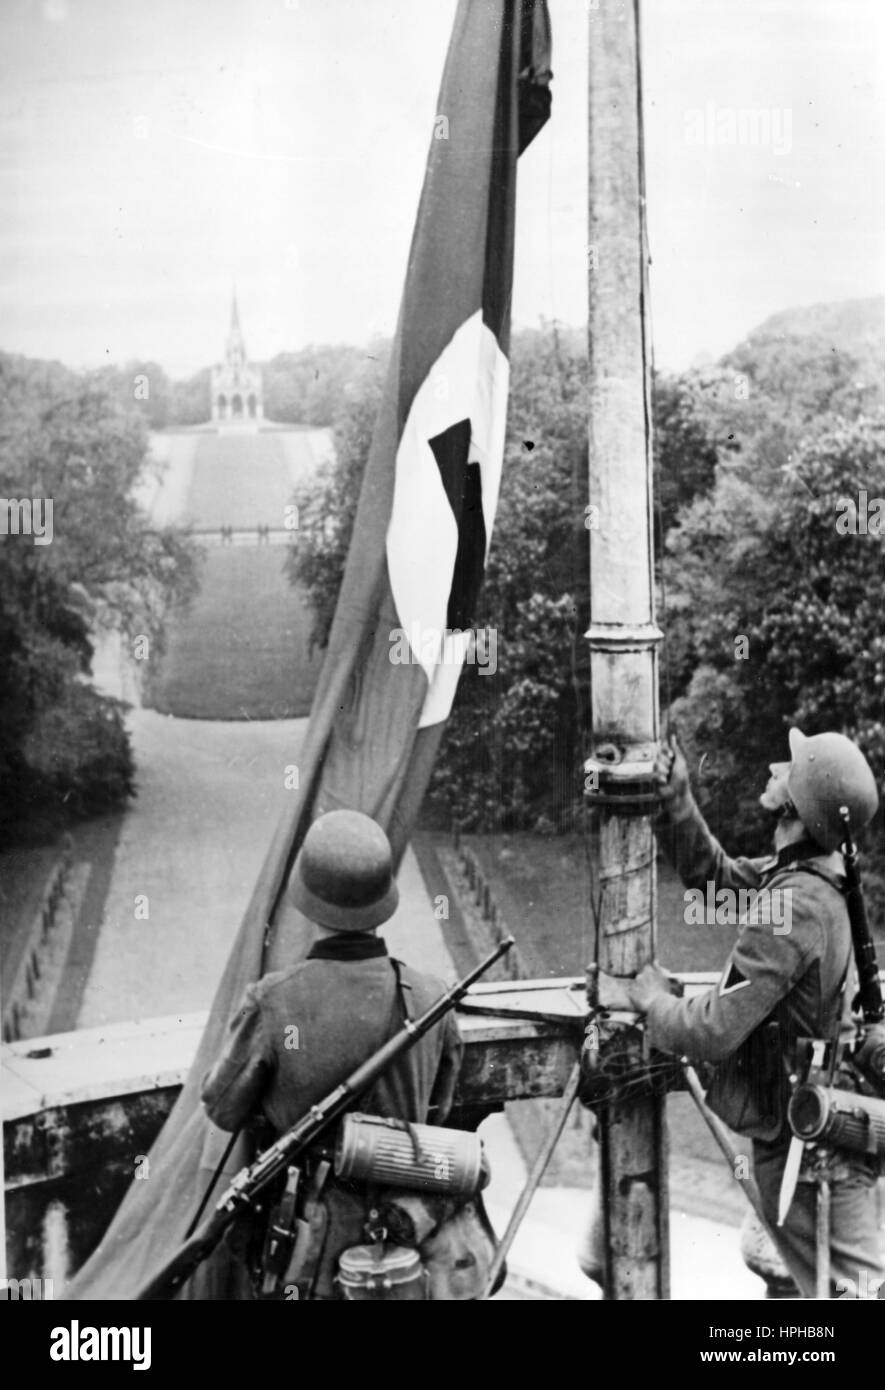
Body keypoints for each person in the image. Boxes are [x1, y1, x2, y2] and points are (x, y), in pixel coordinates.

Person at [621, 727, 884, 1299]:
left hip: (813, 1163)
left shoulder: (793, 906)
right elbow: (716, 882)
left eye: (787, 768)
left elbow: (714, 1030)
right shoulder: (809, 878)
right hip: (817, 1146)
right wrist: (678, 803)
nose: (772, 767)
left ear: (797, 806)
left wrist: (651, 1002)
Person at [201, 808, 464, 1299]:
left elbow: (221, 1108)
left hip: (312, 1254)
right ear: (383, 899)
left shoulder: (274, 1001)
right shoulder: (433, 998)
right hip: (409, 1247)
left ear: (309, 901)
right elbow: (438, 1113)